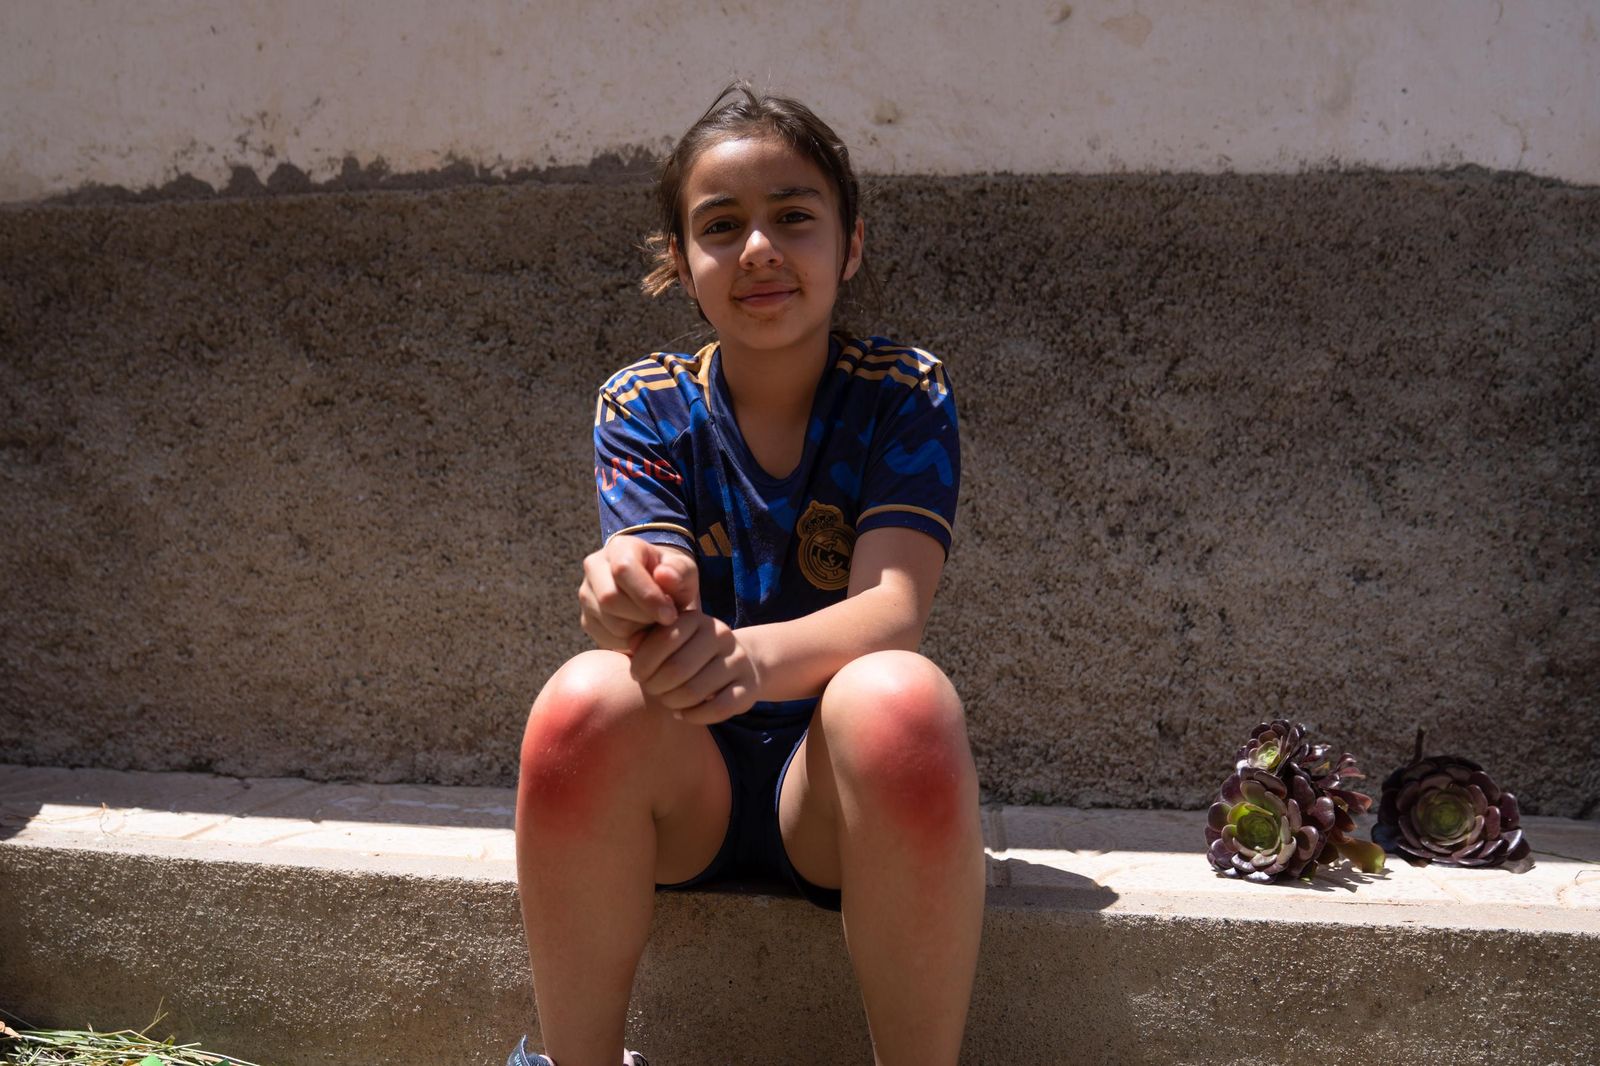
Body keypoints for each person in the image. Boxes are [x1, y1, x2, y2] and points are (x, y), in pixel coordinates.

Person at [509, 84, 984, 1066]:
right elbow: (657, 569)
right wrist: (624, 591)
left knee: (902, 699)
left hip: (832, 798)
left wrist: (742, 661)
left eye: (793, 217)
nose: (759, 248)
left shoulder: (902, 394)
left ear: (849, 247)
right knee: (579, 701)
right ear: (679, 265)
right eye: (720, 227)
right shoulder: (644, 403)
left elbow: (894, 608)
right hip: (689, 793)